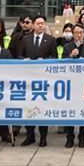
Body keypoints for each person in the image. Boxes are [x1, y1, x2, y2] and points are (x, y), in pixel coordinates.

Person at [17, 15, 57, 146]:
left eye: (42, 23)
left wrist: (45, 61)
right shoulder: (26, 39)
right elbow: (19, 55)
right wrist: (24, 60)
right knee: (29, 108)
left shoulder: (50, 39)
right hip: (28, 79)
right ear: (33, 25)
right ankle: (30, 136)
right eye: (38, 23)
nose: (40, 25)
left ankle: (43, 137)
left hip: (43, 80)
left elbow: (55, 57)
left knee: (42, 108)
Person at [63, 23, 84, 148]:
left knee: (82, 112)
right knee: (70, 111)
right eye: (76, 33)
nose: (79, 35)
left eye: (81, 32)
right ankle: (69, 137)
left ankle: (82, 136)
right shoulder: (67, 46)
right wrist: (70, 57)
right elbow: (61, 64)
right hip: (71, 85)